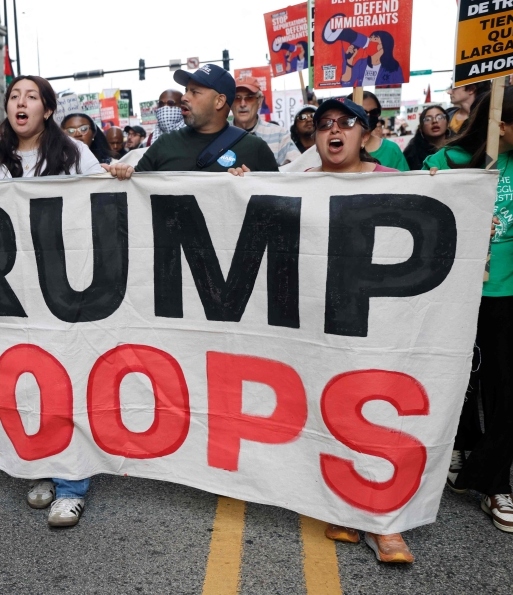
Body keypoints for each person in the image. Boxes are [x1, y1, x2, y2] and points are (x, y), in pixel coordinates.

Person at [231, 97, 413, 562]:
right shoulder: (298, 182)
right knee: (331, 408)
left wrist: (450, 193)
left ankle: (387, 525)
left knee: (380, 411)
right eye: (324, 124)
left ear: (365, 134)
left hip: (377, 321)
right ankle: (345, 504)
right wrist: (236, 190)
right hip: (317, 319)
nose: (334, 130)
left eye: (346, 123)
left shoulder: (395, 182)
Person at [0, 75, 130, 527]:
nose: (21, 103)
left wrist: (115, 175)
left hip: (66, 285)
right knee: (27, 380)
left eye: (31, 97)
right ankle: (42, 465)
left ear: (47, 109)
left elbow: (102, 203)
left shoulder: (73, 153)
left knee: (68, 379)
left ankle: (72, 483)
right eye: (14, 97)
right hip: (15, 287)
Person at [425, 86, 513, 534]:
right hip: (455, 291)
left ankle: (497, 484)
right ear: (500, 125)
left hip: (506, 290)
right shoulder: (442, 164)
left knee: (504, 386)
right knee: (461, 376)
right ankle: (460, 444)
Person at [135, 64, 278, 173]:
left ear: (219, 101)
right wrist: (124, 173)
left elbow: (278, 204)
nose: (184, 97)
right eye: (186, 91)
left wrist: (252, 186)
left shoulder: (255, 149)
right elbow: (134, 191)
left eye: (194, 92)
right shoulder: (165, 144)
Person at [232, 76, 297, 165]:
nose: (242, 104)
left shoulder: (279, 134)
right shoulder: (219, 134)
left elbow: (297, 168)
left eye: (249, 97)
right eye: (237, 98)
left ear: (260, 101)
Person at [347, 91, 409, 171]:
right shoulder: (337, 149)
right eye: (363, 112)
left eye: (374, 112)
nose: (368, 116)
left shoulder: (391, 150)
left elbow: (404, 181)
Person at [402, 105, 449, 171]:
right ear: (421, 128)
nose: (434, 121)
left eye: (440, 117)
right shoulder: (411, 154)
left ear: (448, 124)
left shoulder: (458, 148)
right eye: (428, 119)